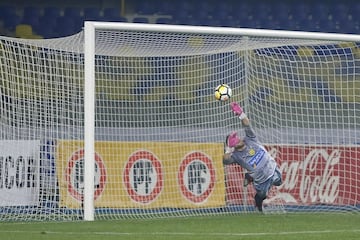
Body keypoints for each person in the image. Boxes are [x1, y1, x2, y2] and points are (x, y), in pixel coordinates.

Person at [223, 102, 282, 212]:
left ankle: (249, 176)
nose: (239, 139)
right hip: (261, 180)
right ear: (233, 145)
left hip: (272, 168)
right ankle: (258, 207)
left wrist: (241, 114)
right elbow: (225, 161)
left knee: (279, 182)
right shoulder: (236, 156)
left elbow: (247, 124)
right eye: (235, 140)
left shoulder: (250, 138)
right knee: (262, 195)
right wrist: (228, 148)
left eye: (238, 137)